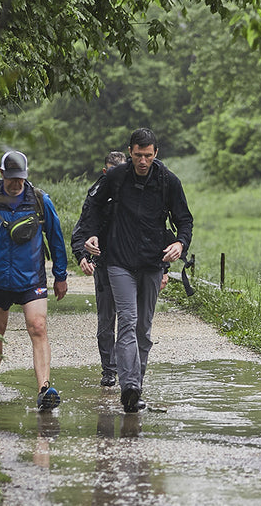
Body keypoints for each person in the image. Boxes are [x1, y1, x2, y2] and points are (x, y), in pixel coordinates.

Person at [82, 128, 193, 414]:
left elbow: (185, 219)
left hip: (152, 264)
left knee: (143, 328)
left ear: (156, 153)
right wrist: (91, 235)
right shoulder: (116, 177)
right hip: (119, 262)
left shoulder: (168, 181)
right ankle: (129, 386)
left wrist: (180, 244)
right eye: (137, 155)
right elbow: (92, 204)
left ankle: (136, 389)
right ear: (129, 152)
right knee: (128, 323)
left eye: (147, 155)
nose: (142, 161)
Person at [0, 150, 71, 411]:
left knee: (38, 326)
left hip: (32, 279)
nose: (16, 184)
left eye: (20, 179)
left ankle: (44, 389)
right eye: (11, 179)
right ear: (1, 174)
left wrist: (60, 275)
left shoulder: (40, 200)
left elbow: (56, 239)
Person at [70, 150, 130, 388]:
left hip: (130, 263)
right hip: (104, 264)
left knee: (130, 319)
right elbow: (82, 228)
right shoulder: (97, 194)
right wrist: (82, 256)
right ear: (105, 171)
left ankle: (129, 370)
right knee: (106, 320)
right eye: (112, 173)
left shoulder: (136, 191)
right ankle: (109, 370)